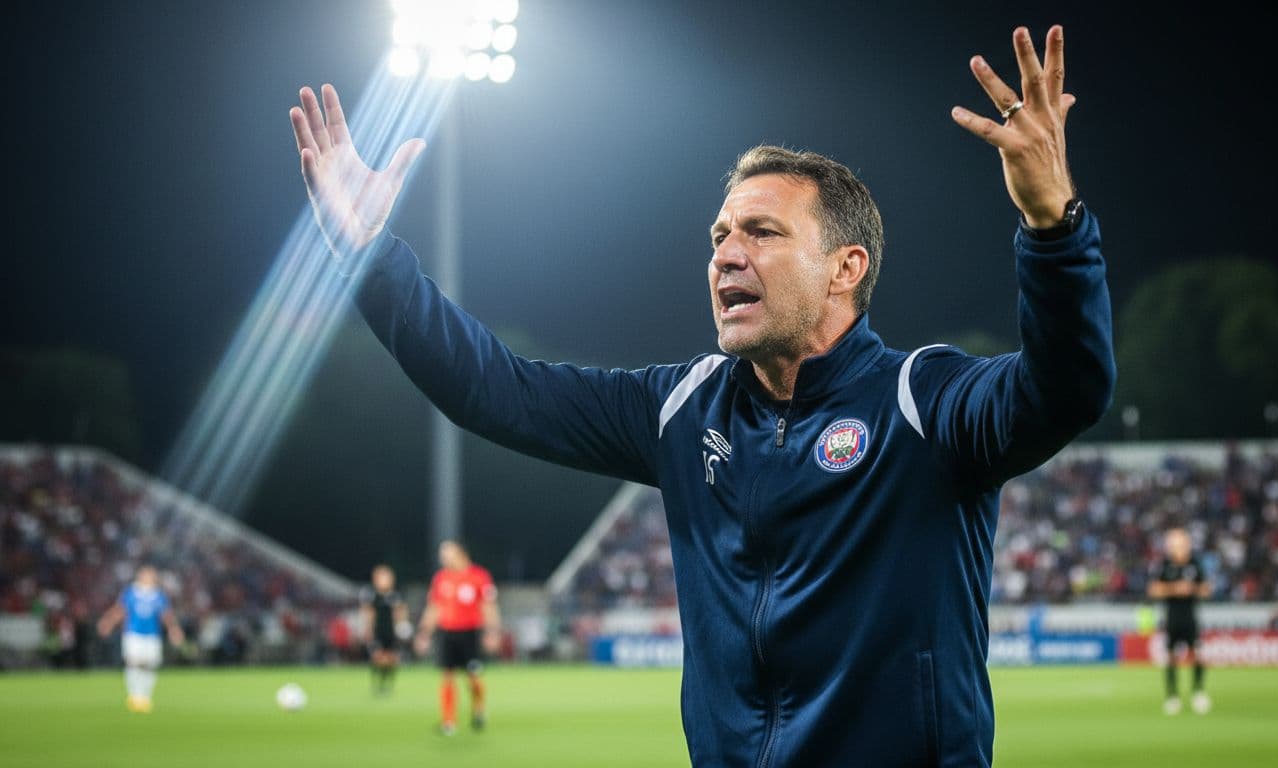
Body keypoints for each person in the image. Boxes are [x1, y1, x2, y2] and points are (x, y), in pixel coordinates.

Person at [291, 23, 1114, 766]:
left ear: (845, 267)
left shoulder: (923, 400)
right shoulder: (683, 409)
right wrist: (373, 261)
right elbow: (495, 391)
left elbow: (1067, 389)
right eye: (720, 235)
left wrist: (1054, 228)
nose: (726, 254)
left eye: (762, 232)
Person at [413, 541, 502, 735]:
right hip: (447, 632)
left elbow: (488, 606)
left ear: (460, 553)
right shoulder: (441, 578)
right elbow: (434, 608)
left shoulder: (479, 576)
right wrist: (424, 633)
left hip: (470, 633)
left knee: (473, 677)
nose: (442, 557)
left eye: (446, 553)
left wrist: (492, 632)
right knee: (447, 676)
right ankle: (449, 721)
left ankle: (478, 709)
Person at [95, 565, 185, 713]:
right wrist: (108, 622)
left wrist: (174, 629)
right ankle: (134, 696)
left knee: (150, 665)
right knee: (134, 663)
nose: (150, 577)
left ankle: (145, 696)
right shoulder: (131, 593)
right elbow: (120, 610)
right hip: (133, 634)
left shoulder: (158, 595)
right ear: (140, 576)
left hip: (152, 635)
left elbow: (166, 615)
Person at [1147, 527, 1212, 715]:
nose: (1177, 547)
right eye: (1173, 544)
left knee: (1197, 655)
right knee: (1171, 657)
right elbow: (1153, 590)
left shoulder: (1195, 564)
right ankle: (1172, 696)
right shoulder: (1164, 565)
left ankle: (1198, 693)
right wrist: (1175, 589)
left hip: (1191, 616)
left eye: (1181, 543)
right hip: (1172, 617)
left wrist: (1191, 589)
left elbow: (1206, 590)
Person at [359, 564, 409, 695]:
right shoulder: (372, 594)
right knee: (378, 656)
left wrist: (402, 625)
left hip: (391, 632)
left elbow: (401, 611)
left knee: (391, 658)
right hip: (377, 631)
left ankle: (388, 684)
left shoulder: (395, 595)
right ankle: (378, 683)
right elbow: (368, 613)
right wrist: (367, 629)